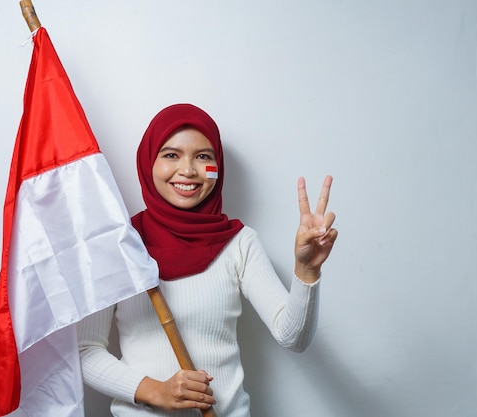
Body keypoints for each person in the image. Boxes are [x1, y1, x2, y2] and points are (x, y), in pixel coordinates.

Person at [76, 103, 337, 416]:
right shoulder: (121, 243)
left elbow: (292, 336)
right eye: (171, 155)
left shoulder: (240, 243)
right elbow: (86, 350)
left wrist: (307, 270)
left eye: (203, 157)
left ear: (218, 166)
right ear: (148, 163)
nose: (188, 170)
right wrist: (154, 390)